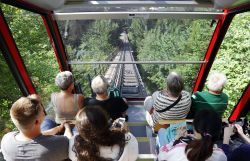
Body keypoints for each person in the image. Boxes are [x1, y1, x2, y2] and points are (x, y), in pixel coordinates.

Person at [1, 95, 71, 161]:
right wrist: (67, 127)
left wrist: (58, 128)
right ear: (37, 121)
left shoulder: (6, 139)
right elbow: (70, 142)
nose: (43, 111)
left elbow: (33, 138)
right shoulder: (57, 144)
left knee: (48, 120)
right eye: (42, 111)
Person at [68, 106, 138, 161]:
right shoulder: (128, 140)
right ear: (106, 122)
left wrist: (67, 128)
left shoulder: (74, 144)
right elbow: (133, 157)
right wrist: (126, 132)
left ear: (80, 129)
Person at [158, 109, 227, 161]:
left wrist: (176, 138)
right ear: (218, 132)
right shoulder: (221, 156)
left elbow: (161, 156)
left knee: (161, 131)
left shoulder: (180, 149)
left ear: (195, 129)